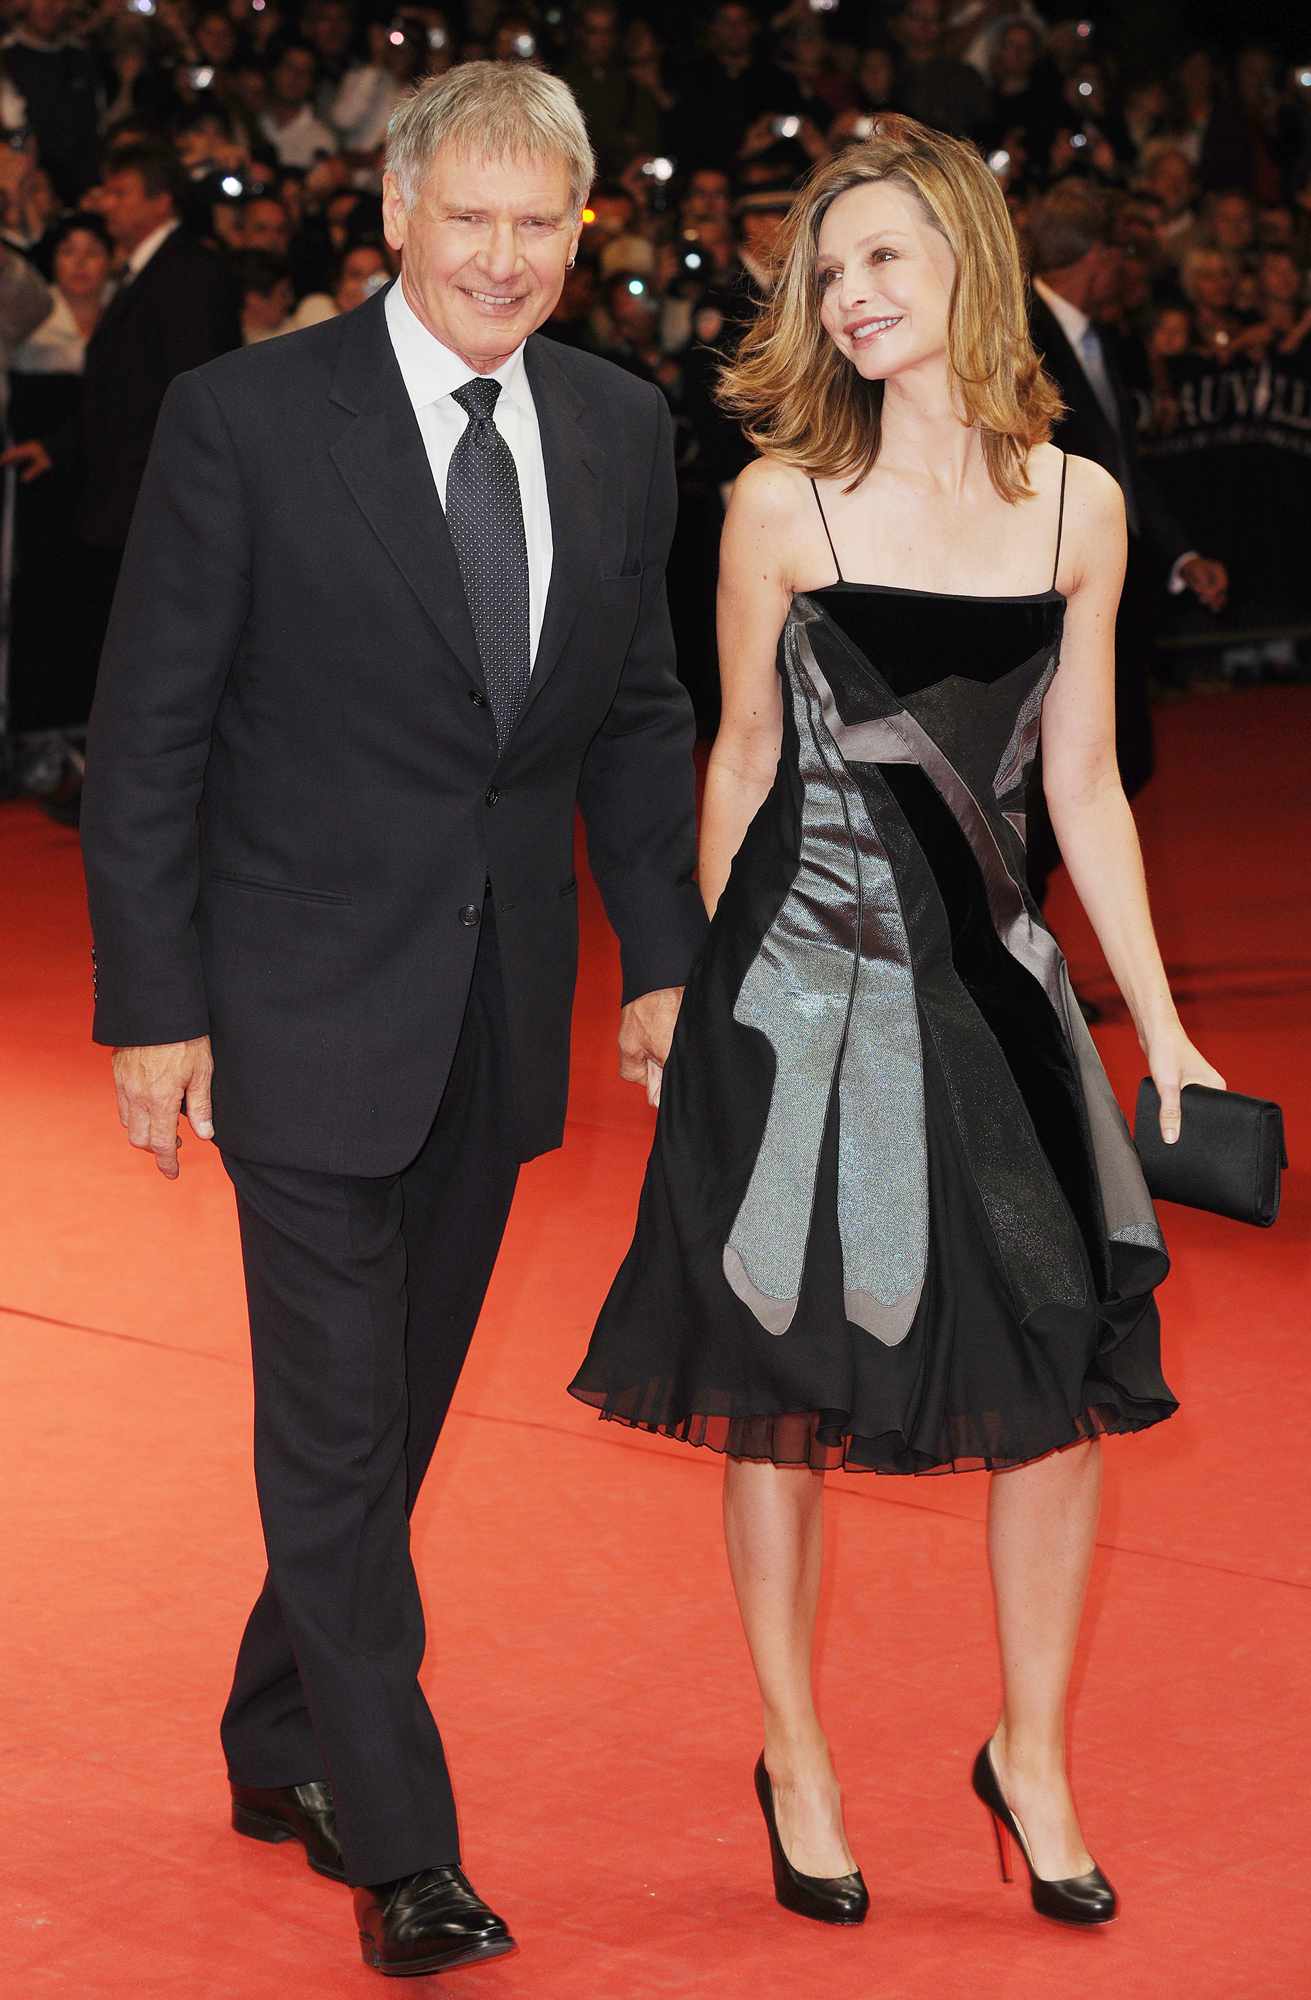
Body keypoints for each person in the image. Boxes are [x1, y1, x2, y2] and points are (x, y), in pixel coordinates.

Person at [79, 60, 704, 1980]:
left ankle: (281, 1732)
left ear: (576, 233)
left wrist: (664, 951)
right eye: (469, 219)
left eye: (540, 226)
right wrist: (153, 1004)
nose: (503, 259)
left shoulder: (618, 427)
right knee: (340, 1432)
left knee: (396, 1418)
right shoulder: (244, 420)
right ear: (395, 217)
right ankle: (401, 1840)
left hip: (501, 1006)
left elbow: (638, 713)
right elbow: (151, 731)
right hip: (291, 1004)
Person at [571, 114, 1224, 1931]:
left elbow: (1082, 788)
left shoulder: (1081, 503)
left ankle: (1028, 1751)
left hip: (1001, 1007)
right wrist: (695, 993)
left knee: (1059, 1390)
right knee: (779, 1395)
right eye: (823, 270)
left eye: (879, 260)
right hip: (798, 1001)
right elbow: (741, 763)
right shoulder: (782, 500)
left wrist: (1160, 1031)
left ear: (965, 263)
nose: (848, 297)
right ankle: (794, 1748)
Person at [1, 141, 240, 755]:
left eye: (120, 191)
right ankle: (121, 782)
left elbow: (197, 392)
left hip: (157, 498)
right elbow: (122, 393)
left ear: (160, 202)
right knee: (125, 650)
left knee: (156, 658)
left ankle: (152, 791)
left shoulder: (188, 271)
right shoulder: (141, 274)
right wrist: (61, 446)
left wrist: (178, 498)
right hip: (123, 496)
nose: (105, 202)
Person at [1025, 180, 1227, 899]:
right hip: (1046, 592)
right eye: (1122, 253)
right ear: (1098, 255)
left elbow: (1124, 466)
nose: (1130, 272)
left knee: (1125, 757)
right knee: (1062, 769)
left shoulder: (1102, 338)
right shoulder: (1016, 334)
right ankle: (1016, 924)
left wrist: (1178, 554)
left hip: (1117, 585)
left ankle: (1013, 909)